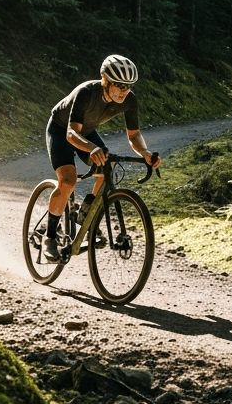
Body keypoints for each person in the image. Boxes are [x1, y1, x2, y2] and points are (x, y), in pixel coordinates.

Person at [42, 54, 163, 261]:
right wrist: (91, 148)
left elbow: (134, 135)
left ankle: (86, 213)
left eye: (129, 86)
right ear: (106, 81)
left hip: (86, 131)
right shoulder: (86, 92)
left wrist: (145, 153)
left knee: (106, 166)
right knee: (68, 181)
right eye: (120, 86)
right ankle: (50, 237)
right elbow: (71, 133)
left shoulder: (129, 100)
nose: (125, 91)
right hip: (61, 130)